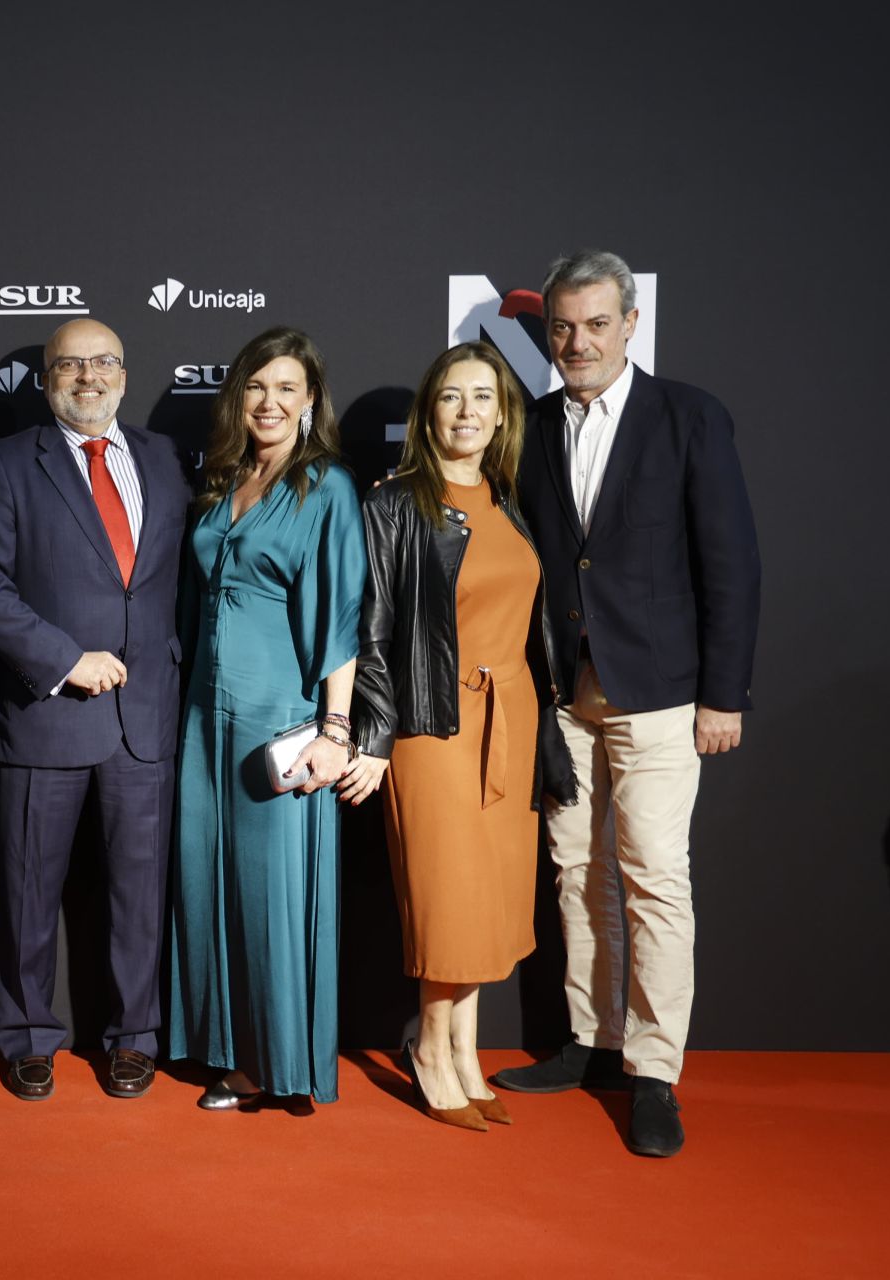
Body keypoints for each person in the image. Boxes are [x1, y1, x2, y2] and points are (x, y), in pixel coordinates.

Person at [492, 251, 761, 1158]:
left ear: (631, 324)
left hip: (660, 697)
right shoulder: (527, 426)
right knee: (575, 874)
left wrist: (724, 695)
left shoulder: (688, 416)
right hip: (565, 696)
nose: (577, 342)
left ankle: (653, 1072)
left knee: (653, 878)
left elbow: (732, 565)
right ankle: (591, 1038)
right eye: (562, 326)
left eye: (596, 324)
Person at [0, 318, 189, 1102]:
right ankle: (24, 1035)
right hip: (41, 713)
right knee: (26, 893)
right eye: (70, 365)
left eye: (104, 362)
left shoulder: (161, 458)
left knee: (139, 897)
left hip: (145, 719)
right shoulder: (6, 464)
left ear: (125, 373)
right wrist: (61, 660)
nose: (89, 376)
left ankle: (134, 1036)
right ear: (46, 379)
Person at [346, 341, 574, 1131]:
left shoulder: (510, 499)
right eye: (451, 397)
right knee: (447, 903)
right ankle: (431, 1051)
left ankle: (468, 1050)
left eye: (484, 397)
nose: (468, 412)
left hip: (511, 722)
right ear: (428, 411)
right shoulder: (393, 504)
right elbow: (370, 632)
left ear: (503, 413)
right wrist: (372, 736)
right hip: (433, 726)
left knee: (493, 903)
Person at [167, 326, 366, 1109]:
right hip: (202, 719)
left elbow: (343, 618)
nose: (270, 401)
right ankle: (228, 1047)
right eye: (257, 386)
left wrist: (336, 732)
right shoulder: (224, 478)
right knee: (209, 882)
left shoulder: (327, 487)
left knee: (273, 891)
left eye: (287, 388)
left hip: (279, 717)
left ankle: (278, 1063)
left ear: (310, 400)